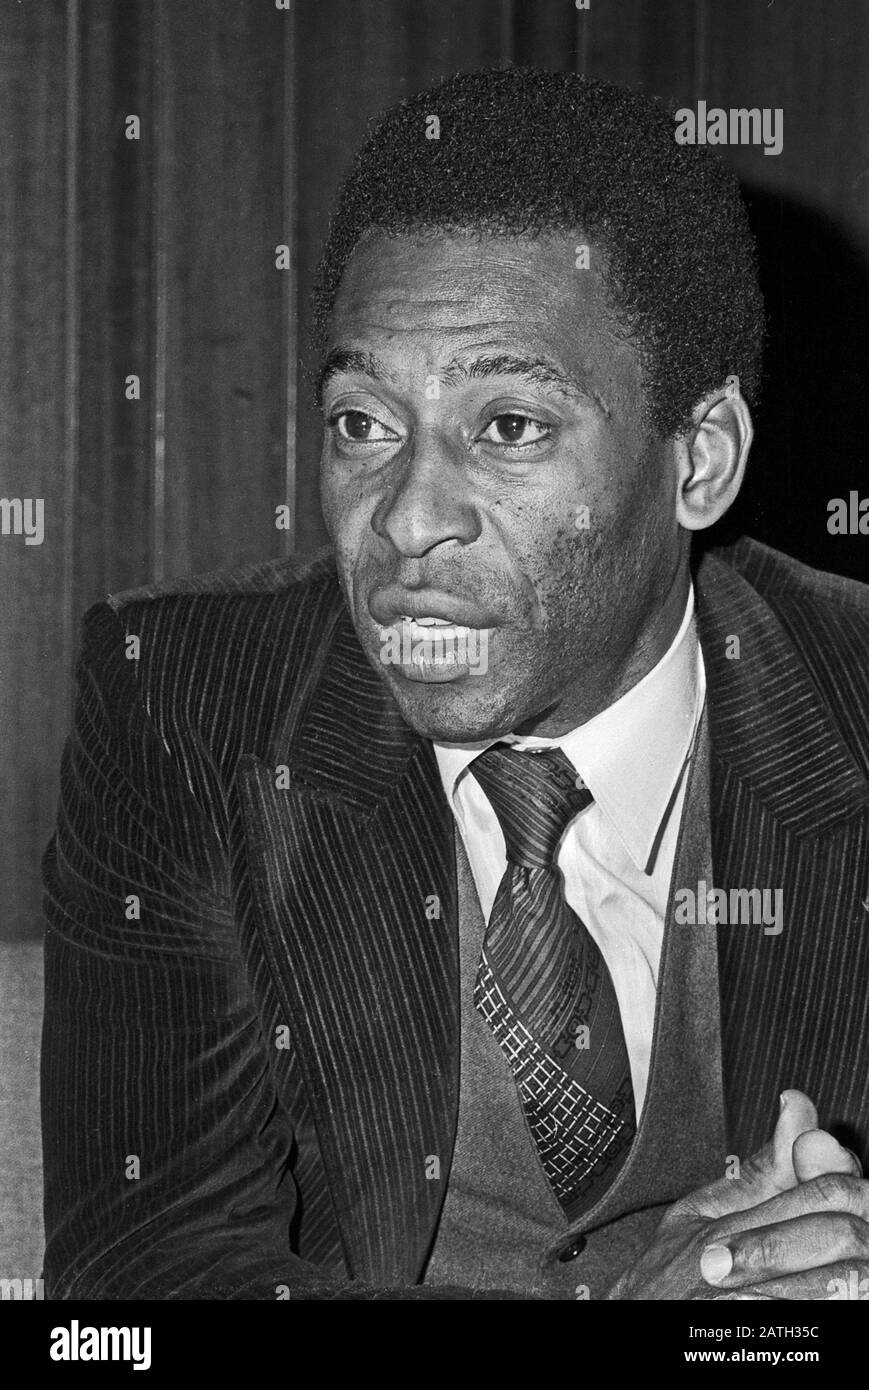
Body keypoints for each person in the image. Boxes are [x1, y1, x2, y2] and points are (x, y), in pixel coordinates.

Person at [41, 67, 869, 1300]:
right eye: (362, 423)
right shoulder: (182, 703)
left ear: (698, 459)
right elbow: (137, 1277)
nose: (409, 519)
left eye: (510, 427)